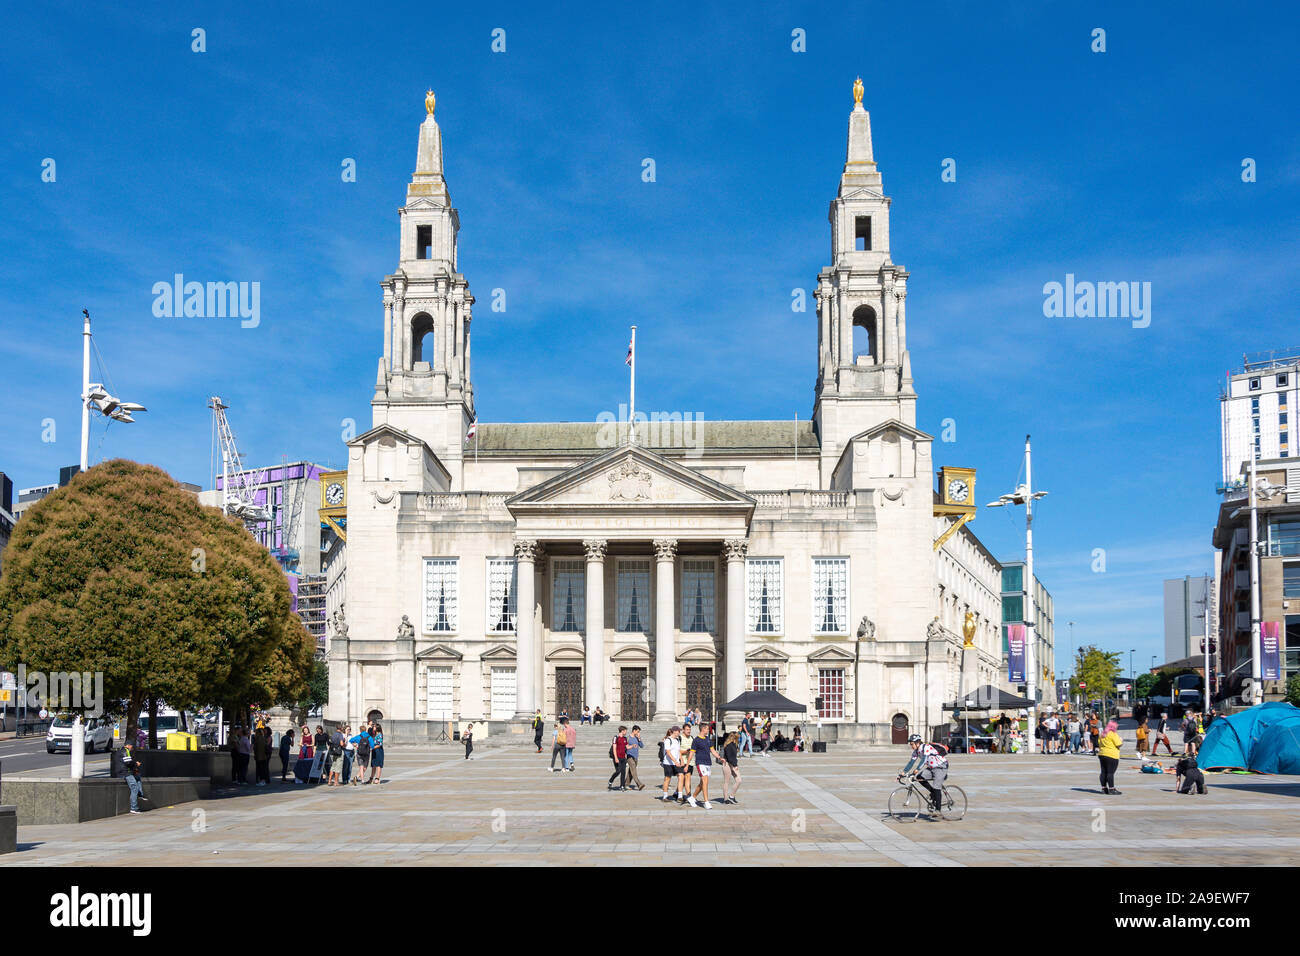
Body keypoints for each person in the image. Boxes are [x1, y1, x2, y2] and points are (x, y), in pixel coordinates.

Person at [900, 734, 949, 816]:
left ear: (917, 743)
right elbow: (911, 762)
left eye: (912, 744)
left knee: (937, 787)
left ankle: (938, 810)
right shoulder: (916, 751)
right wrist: (903, 773)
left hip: (941, 766)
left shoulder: (926, 747)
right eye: (910, 744)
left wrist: (917, 769)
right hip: (931, 768)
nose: (911, 746)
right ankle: (933, 792)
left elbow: (924, 759)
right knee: (919, 777)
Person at [689, 724, 719, 809]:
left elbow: (713, 751)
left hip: (708, 763)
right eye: (707, 729)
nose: (708, 730)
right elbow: (691, 753)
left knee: (703, 783)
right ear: (703, 729)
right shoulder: (696, 740)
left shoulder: (708, 739)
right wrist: (687, 764)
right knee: (705, 781)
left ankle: (692, 797)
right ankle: (706, 802)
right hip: (700, 762)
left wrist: (720, 757)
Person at [1097, 719, 1123, 795]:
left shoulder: (1102, 734)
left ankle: (1104, 788)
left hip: (1102, 754)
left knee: (1103, 772)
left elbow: (1099, 743)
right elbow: (1118, 744)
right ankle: (1111, 789)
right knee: (1110, 772)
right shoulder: (1113, 734)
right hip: (1112, 755)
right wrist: (1121, 740)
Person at [659, 727, 683, 801]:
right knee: (667, 778)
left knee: (681, 775)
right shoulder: (668, 740)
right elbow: (668, 752)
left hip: (676, 762)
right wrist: (675, 761)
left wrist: (681, 760)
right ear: (674, 731)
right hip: (668, 763)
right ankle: (665, 796)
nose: (679, 733)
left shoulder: (677, 740)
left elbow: (679, 751)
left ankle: (680, 795)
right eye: (678, 731)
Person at [720, 732, 741, 804]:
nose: (739, 739)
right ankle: (726, 799)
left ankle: (732, 796)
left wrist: (735, 764)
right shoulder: (728, 745)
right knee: (727, 782)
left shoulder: (734, 744)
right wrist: (735, 766)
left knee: (739, 780)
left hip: (733, 764)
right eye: (738, 738)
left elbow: (733, 757)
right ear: (734, 737)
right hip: (727, 764)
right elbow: (729, 757)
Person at [607, 725, 629, 791]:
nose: (626, 732)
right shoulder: (615, 737)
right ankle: (611, 780)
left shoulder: (625, 738)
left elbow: (627, 747)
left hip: (623, 758)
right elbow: (614, 748)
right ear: (622, 731)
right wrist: (616, 758)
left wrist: (633, 746)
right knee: (618, 771)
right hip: (617, 757)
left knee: (623, 772)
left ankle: (622, 786)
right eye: (625, 731)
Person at [625, 725, 646, 791]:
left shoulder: (637, 738)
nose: (638, 733)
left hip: (635, 757)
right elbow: (625, 747)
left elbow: (642, 746)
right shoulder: (628, 738)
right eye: (637, 731)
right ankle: (639, 784)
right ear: (634, 731)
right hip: (629, 756)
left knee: (631, 771)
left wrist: (639, 739)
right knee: (633, 769)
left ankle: (626, 784)